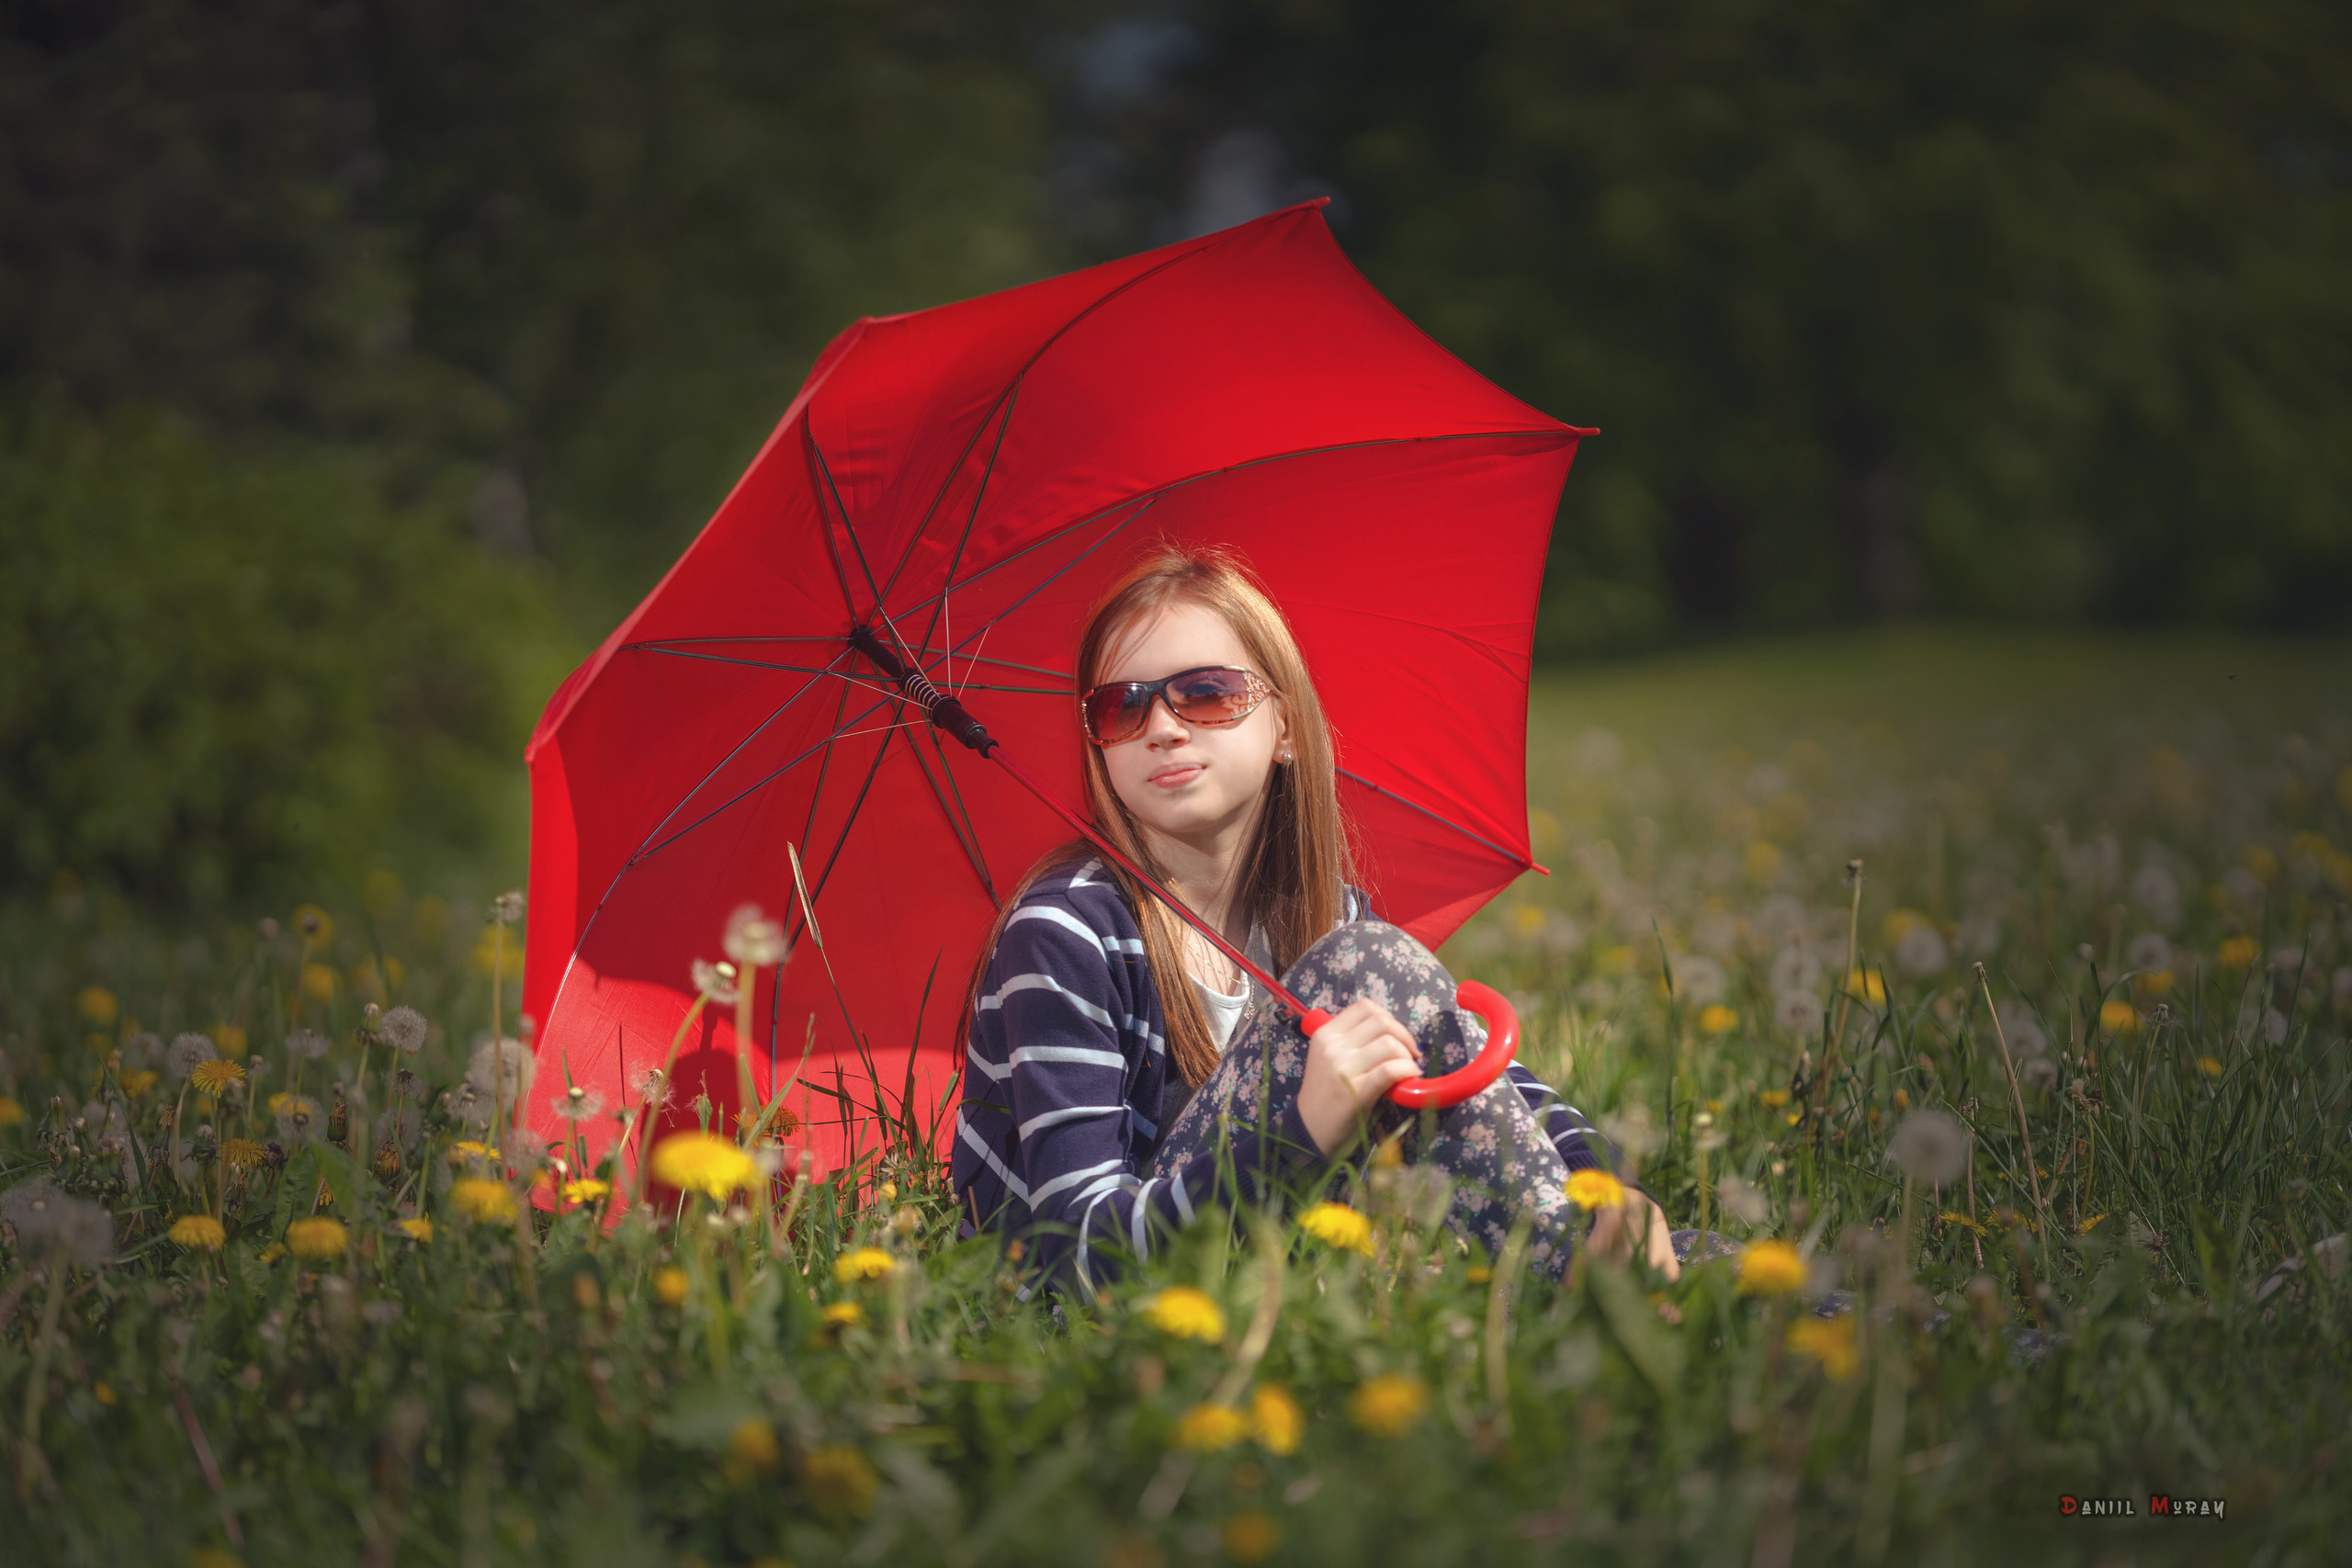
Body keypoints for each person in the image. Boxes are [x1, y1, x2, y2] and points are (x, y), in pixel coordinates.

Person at [950, 545, 1680, 1290]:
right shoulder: (1064, 932)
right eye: (1122, 706)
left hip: (1263, 1287)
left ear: (1287, 728)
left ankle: (1618, 1257)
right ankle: (1596, 1285)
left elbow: (1455, 1057)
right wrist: (1298, 1134)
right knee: (1365, 966)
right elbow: (1071, 1253)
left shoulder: (1315, 914)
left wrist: (1603, 1181)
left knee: (1733, 1275)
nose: (1163, 728)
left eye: (1205, 692)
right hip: (1100, 1319)